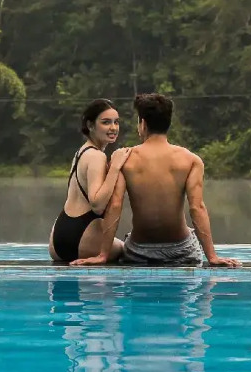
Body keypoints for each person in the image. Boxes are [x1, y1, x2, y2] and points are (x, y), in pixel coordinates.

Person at [74, 92, 239, 268]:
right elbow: (196, 208)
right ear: (168, 123)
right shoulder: (191, 160)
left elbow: (115, 205)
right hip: (181, 251)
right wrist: (212, 257)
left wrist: (103, 255)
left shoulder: (125, 158)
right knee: (189, 234)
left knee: (127, 241)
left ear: (142, 124)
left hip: (139, 251)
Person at [48, 99, 131, 265]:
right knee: (131, 250)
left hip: (58, 239)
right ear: (91, 125)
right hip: (81, 237)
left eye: (116, 122)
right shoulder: (96, 156)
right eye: (106, 122)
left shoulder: (81, 151)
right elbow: (97, 204)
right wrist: (115, 167)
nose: (113, 128)